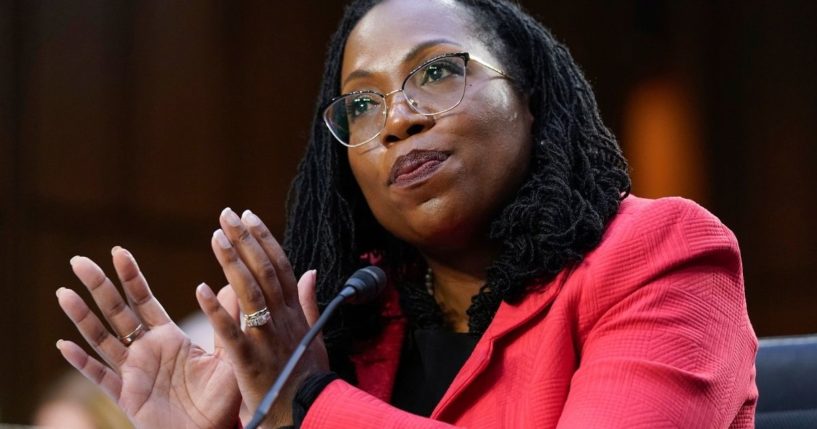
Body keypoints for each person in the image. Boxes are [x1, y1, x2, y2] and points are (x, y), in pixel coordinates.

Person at [55, 0, 758, 428]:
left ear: (531, 97)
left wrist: (306, 405)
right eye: (361, 103)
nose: (395, 119)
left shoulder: (658, 253)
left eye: (436, 71)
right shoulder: (348, 319)